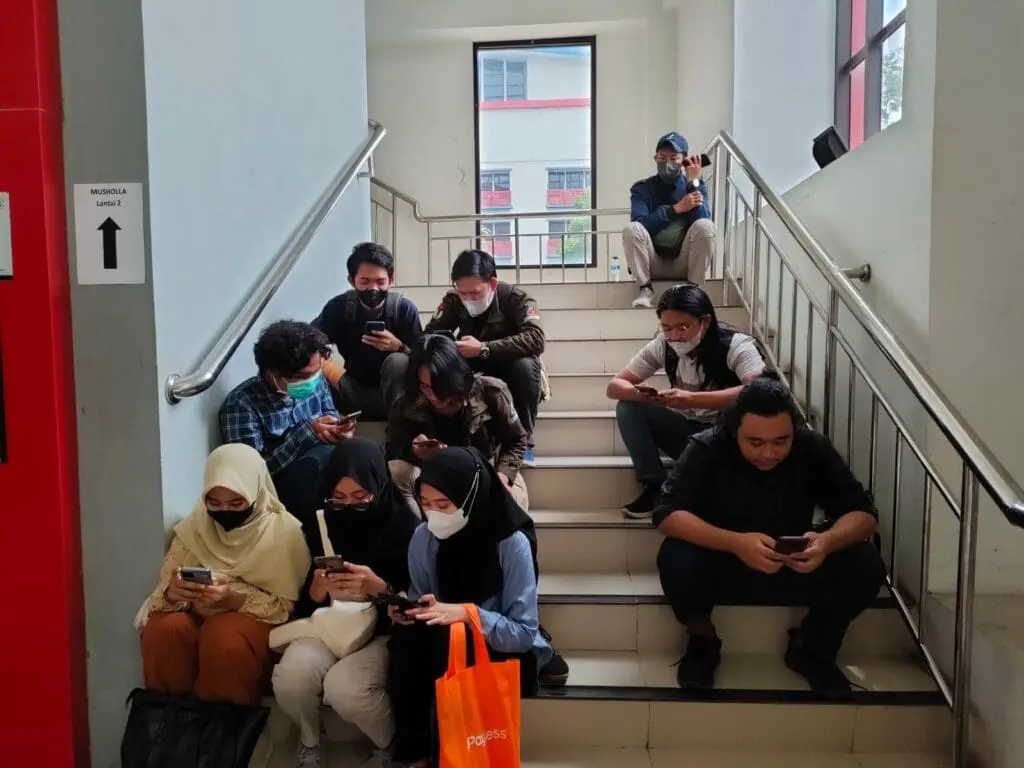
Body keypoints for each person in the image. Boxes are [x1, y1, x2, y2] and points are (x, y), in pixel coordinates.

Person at [653, 372, 886, 698]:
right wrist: (736, 542)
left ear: (794, 431)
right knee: (675, 557)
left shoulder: (811, 447)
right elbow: (666, 514)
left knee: (866, 563)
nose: (769, 453)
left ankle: (813, 648)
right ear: (734, 431)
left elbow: (863, 513)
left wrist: (825, 542)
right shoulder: (707, 447)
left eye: (781, 441)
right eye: (755, 442)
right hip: (724, 562)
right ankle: (703, 643)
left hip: (793, 563)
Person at [387, 447, 568, 767]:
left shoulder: (511, 544)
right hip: (445, 637)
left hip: (497, 644)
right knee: (407, 642)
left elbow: (523, 633)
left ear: (471, 497)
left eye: (444, 504)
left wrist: (468, 614)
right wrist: (409, 609)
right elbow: (423, 596)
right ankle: (417, 754)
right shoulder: (423, 537)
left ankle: (450, 755)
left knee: (446, 641)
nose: (433, 514)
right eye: (425, 504)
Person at [272, 438, 417, 768]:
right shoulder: (322, 522)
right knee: (291, 677)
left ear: (379, 487)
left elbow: (417, 607)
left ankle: (388, 744)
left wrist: (379, 588)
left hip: (384, 633)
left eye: (360, 497)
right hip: (331, 626)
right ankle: (310, 740)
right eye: (338, 497)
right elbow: (305, 606)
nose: (348, 507)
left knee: (345, 688)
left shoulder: (406, 530)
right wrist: (316, 591)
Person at [136, 444, 310, 706]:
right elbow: (162, 595)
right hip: (199, 620)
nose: (224, 511)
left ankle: (223, 726)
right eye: (214, 503)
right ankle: (169, 722)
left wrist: (232, 598)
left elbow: (287, 610)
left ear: (255, 492)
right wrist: (174, 593)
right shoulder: (195, 527)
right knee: (165, 629)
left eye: (236, 503)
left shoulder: (284, 533)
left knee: (223, 634)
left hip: (255, 629)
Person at [607, 283, 764, 519]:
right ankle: (654, 486)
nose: (675, 336)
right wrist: (648, 396)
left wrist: (692, 399)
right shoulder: (663, 344)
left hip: (727, 437)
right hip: (687, 433)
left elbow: (758, 391)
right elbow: (614, 386)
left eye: (683, 327)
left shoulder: (736, 346)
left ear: (705, 322)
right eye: (666, 327)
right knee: (629, 407)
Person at [221, 319, 355, 516]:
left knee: (361, 452)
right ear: (272, 372)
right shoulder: (242, 405)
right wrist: (308, 433)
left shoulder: (316, 380)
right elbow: (253, 474)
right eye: (303, 377)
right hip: (284, 486)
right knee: (322, 461)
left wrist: (338, 430)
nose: (312, 381)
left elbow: (330, 413)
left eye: (317, 371)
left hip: (323, 468)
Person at [424, 249, 544, 464]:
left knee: (525, 366)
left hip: (509, 364)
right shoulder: (453, 301)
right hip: (469, 364)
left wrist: (484, 348)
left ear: (492, 283)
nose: (469, 299)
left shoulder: (516, 298)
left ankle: (524, 442)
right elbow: (429, 335)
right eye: (463, 293)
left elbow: (536, 338)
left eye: (476, 293)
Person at [387, 334, 530, 512]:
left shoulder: (491, 391)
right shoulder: (407, 403)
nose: (433, 395)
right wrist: (414, 451)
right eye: (425, 386)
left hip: (485, 470)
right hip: (431, 479)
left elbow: (516, 440)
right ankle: (422, 528)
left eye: (439, 386)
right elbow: (393, 451)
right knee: (394, 471)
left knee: (510, 501)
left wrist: (503, 476)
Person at [313, 242, 422, 419]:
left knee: (399, 361)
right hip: (351, 388)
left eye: (380, 282)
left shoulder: (404, 309)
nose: (373, 289)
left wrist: (399, 347)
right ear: (352, 280)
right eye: (365, 282)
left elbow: (422, 359)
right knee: (311, 362)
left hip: (396, 394)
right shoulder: (338, 307)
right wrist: (326, 362)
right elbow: (310, 341)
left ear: (391, 280)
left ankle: (398, 423)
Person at [622, 131, 715, 308]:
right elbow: (641, 224)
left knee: (705, 225)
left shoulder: (694, 186)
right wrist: (675, 209)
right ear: (655, 158)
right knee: (631, 228)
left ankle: (693, 290)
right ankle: (645, 289)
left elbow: (703, 224)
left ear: (684, 160)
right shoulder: (642, 189)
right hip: (652, 261)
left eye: (674, 158)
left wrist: (693, 183)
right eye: (662, 157)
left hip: (683, 261)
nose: (667, 163)